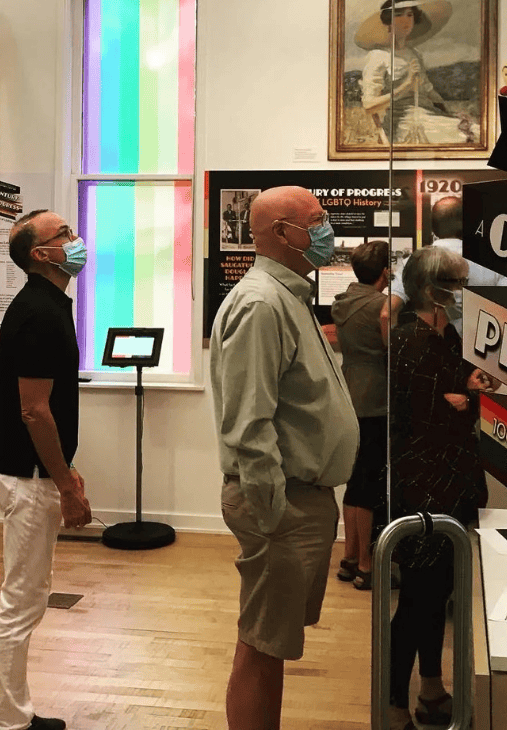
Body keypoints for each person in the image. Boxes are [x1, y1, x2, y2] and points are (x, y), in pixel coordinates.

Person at [210, 185, 359, 730]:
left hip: (301, 500)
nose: (326, 231)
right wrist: (272, 514)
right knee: (260, 643)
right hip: (282, 505)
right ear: (282, 233)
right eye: (317, 221)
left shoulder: (287, 296)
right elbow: (249, 424)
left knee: (272, 642)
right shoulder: (260, 303)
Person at [0, 209, 92, 730]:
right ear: (40, 255)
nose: (75, 239)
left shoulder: (45, 305)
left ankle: (0, 703)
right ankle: (8, 721)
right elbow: (33, 409)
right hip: (27, 477)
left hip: (29, 472)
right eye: (63, 234)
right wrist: (65, 483)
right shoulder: (41, 311)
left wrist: (64, 471)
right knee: (22, 602)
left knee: (29, 595)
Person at [388, 246, 495, 730]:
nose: (461, 291)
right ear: (432, 290)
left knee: (438, 593)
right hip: (423, 486)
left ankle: (431, 688)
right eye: (454, 283)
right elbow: (434, 415)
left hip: (453, 482)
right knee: (416, 599)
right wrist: (465, 394)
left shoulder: (447, 334)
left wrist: (466, 394)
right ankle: (392, 703)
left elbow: (462, 399)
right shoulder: (410, 340)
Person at [331, 240, 390, 590]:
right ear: (385, 272)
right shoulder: (381, 306)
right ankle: (367, 564)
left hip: (349, 392)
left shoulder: (344, 303)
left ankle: (350, 556)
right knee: (368, 483)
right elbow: (389, 349)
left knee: (355, 482)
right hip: (375, 400)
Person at [380, 195, 507, 342]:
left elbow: (387, 313)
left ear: (434, 227)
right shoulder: (497, 262)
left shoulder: (412, 261)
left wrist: (395, 352)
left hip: (435, 352)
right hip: (483, 351)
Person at [357, 0, 473, 146]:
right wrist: (407, 84)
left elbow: (428, 90)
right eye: (399, 15)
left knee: (472, 130)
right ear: (388, 21)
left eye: (410, 15)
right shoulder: (378, 56)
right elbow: (369, 105)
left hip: (428, 115)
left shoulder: (414, 54)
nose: (406, 20)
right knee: (464, 138)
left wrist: (449, 112)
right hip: (403, 124)